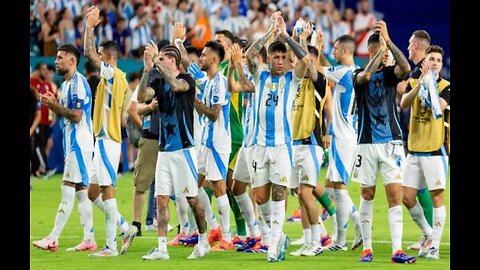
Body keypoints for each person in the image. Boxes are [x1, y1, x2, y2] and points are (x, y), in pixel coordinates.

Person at [245, 12, 308, 262]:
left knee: (279, 193)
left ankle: (272, 243)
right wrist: (269, 33)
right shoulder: (259, 76)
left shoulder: (292, 79)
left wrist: (287, 38)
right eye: (276, 56)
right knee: (260, 197)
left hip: (282, 146)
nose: (280, 61)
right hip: (259, 146)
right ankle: (275, 236)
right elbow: (249, 55)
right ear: (268, 58)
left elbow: (304, 59)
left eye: (283, 57)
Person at [352, 21, 416, 263]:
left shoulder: (390, 75)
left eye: (387, 52)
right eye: (381, 51)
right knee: (367, 194)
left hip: (392, 142)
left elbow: (405, 66)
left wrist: (388, 42)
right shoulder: (358, 73)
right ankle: (367, 248)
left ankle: (396, 250)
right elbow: (366, 76)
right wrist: (379, 54)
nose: (386, 56)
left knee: (394, 195)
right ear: (371, 51)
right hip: (366, 143)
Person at [139, 43, 211, 260]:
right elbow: (143, 96)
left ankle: (203, 239)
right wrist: (146, 69)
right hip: (164, 151)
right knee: (161, 199)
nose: (159, 61)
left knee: (192, 199)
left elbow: (177, 86)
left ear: (174, 60)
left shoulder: (187, 79)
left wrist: (156, 65)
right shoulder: (159, 81)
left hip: (185, 150)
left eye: (163, 58)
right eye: (158, 58)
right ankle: (162, 249)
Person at [32, 44, 97, 252]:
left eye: (60, 58)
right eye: (56, 58)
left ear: (72, 61)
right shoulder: (67, 84)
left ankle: (53, 237)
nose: (56, 62)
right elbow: (67, 114)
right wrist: (55, 105)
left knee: (67, 189)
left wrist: (55, 106)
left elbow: (77, 116)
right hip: (74, 142)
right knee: (81, 191)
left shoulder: (78, 83)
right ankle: (89, 238)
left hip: (78, 143)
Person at [83, 6, 137, 257]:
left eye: (102, 56)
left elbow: (88, 53)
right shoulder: (111, 77)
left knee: (107, 189)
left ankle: (111, 246)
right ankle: (125, 227)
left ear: (109, 58)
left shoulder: (113, 74)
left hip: (108, 139)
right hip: (101, 140)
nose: (98, 59)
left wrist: (89, 27)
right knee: (93, 192)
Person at [400, 45, 450, 260]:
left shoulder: (446, 87)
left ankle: (435, 246)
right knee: (407, 197)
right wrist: (420, 81)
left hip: (435, 150)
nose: (436, 62)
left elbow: (437, 107)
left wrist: (429, 83)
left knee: (437, 197)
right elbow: (403, 103)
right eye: (432, 58)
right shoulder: (414, 82)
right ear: (425, 62)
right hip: (414, 150)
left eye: (439, 60)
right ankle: (428, 233)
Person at [316, 32, 363, 251]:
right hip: (345, 136)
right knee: (330, 187)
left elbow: (316, 68)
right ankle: (359, 225)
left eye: (335, 49)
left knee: (340, 189)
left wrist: (314, 49)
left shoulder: (343, 73)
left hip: (343, 138)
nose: (332, 52)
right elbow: (326, 65)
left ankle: (341, 240)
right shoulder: (353, 72)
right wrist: (322, 50)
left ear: (345, 51)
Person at [289, 29, 333, 256]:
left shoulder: (320, 82)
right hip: (295, 144)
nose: (305, 63)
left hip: (311, 144)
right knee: (300, 194)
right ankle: (307, 242)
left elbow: (307, 60)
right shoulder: (296, 84)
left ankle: (317, 241)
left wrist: (303, 40)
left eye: (309, 61)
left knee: (306, 193)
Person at [397, 30, 435, 250]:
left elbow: (404, 90)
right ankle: (428, 234)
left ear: (419, 46)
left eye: (410, 44)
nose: (408, 47)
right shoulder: (416, 70)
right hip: (415, 138)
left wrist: (407, 87)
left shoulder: (425, 69)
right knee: (411, 194)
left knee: (426, 191)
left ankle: (431, 237)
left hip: (428, 139)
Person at [227, 43, 264, 252]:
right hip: (248, 142)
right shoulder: (250, 75)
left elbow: (247, 85)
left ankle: (267, 238)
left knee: (260, 194)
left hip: (261, 143)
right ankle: (253, 234)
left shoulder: (264, 76)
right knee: (237, 187)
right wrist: (233, 66)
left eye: (250, 58)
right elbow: (233, 87)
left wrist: (238, 64)